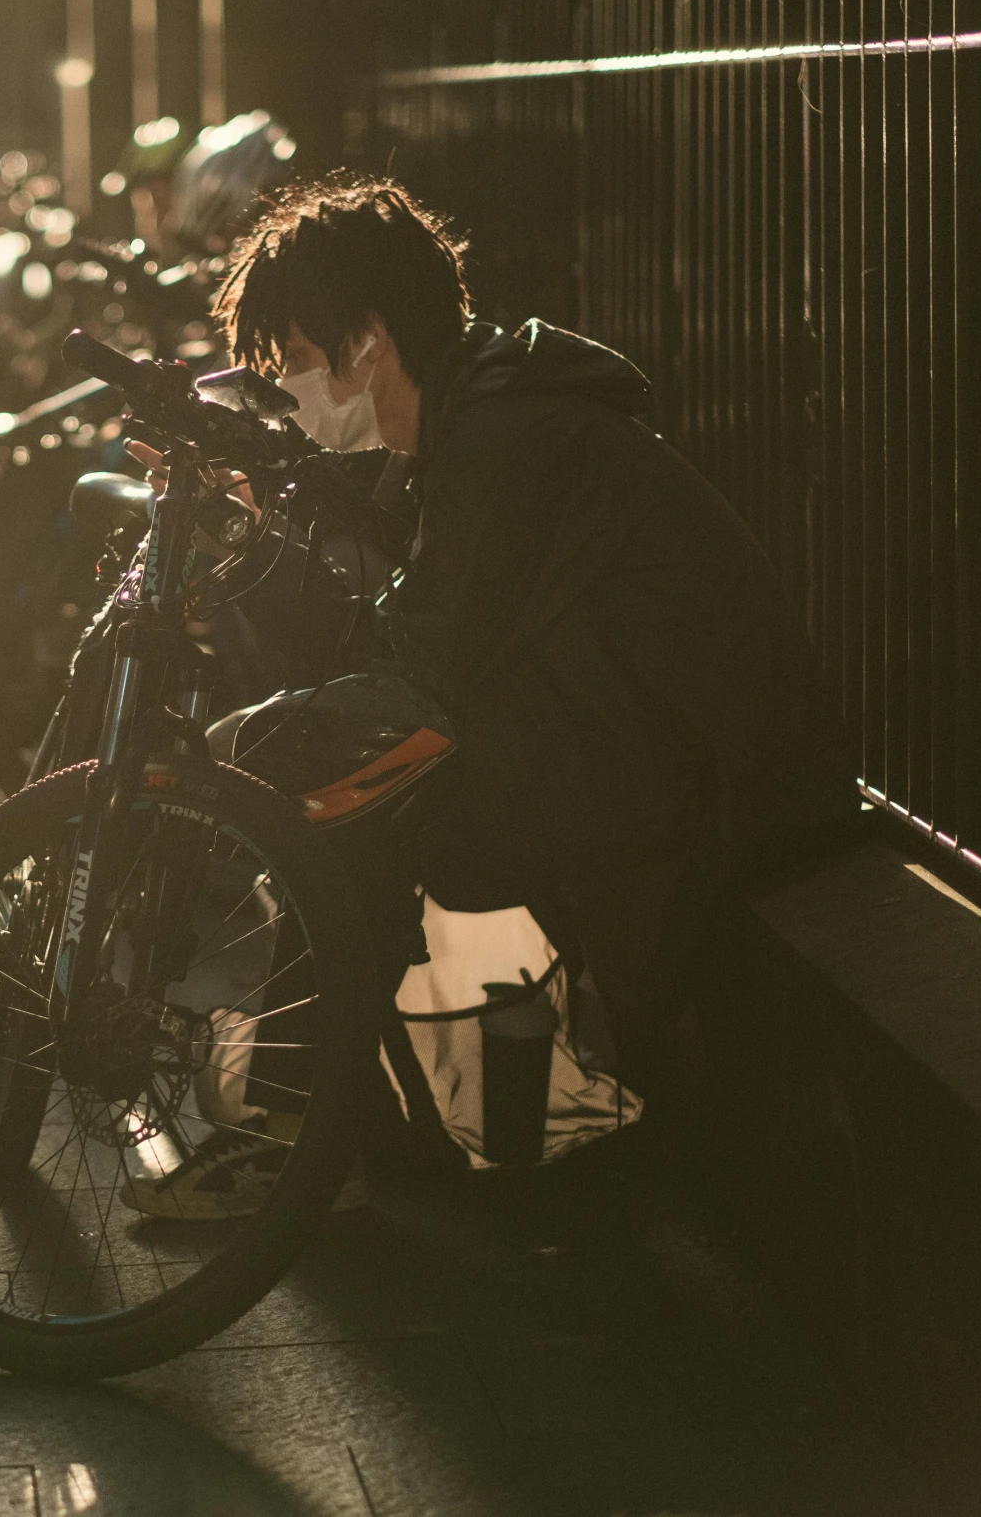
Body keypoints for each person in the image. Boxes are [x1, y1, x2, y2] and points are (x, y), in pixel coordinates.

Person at [126, 172, 856, 1215]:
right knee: (353, 799)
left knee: (351, 812)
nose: (289, 392)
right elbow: (431, 605)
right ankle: (326, 1132)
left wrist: (261, 598)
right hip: (631, 743)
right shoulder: (485, 415)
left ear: (366, 341)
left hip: (694, 788)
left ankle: (302, 1140)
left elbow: (427, 656)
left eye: (292, 362)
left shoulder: (513, 438)